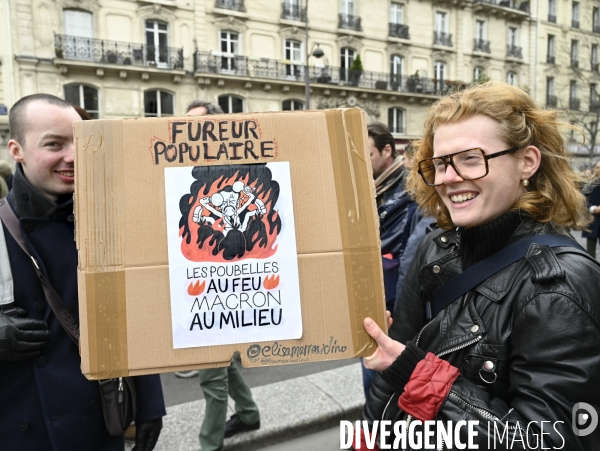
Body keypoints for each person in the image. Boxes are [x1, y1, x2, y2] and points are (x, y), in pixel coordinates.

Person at [358, 82, 600, 450]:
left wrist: (420, 374)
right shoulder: (434, 251)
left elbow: (549, 441)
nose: (448, 178)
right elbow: (392, 376)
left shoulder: (560, 287)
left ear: (527, 162)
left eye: (471, 158)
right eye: (439, 163)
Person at [1, 94, 166, 451]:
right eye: (54, 144)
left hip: (97, 428)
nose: (73, 156)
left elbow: (131, 315)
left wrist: (150, 402)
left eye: (81, 141)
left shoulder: (106, 225)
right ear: (17, 149)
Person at [180, 99, 261, 451]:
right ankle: (248, 412)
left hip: (223, 282)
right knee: (221, 361)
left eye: (198, 125)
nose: (189, 132)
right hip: (199, 280)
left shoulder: (235, 176)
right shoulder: (190, 175)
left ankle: (209, 444)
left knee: (211, 371)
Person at [362, 124, 416, 397]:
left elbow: (396, 249)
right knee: (372, 371)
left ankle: (381, 433)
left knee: (383, 381)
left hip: (392, 298)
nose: (363, 160)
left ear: (387, 150)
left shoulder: (409, 189)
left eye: (368, 154)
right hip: (376, 293)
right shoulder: (369, 187)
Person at [582, 160, 600, 259]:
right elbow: (584, 201)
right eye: (597, 168)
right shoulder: (589, 185)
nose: (599, 170)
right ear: (594, 169)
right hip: (592, 221)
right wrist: (593, 208)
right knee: (590, 250)